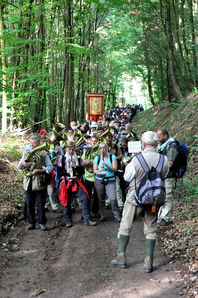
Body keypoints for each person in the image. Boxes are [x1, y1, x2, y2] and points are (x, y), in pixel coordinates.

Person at [111, 131, 169, 272]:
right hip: (154, 200)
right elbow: (164, 175)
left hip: (134, 199)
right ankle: (148, 261)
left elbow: (127, 177)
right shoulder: (164, 159)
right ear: (156, 144)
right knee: (151, 229)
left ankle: (121, 257)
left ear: (143, 144)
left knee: (125, 226)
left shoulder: (137, 159)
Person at [18, 134, 53, 231]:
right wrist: (22, 164)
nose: (31, 145)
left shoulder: (43, 153)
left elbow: (50, 167)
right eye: (30, 143)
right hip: (28, 181)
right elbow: (19, 167)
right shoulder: (26, 152)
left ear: (38, 143)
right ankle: (31, 222)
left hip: (39, 182)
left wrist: (40, 170)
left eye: (33, 143)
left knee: (40, 203)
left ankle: (42, 222)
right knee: (29, 203)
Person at [57, 141, 97, 228]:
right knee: (67, 201)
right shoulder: (62, 158)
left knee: (85, 198)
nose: (71, 151)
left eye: (72, 149)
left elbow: (82, 171)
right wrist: (65, 172)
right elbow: (59, 172)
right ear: (66, 149)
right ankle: (68, 220)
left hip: (76, 180)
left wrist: (77, 168)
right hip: (66, 181)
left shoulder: (78, 157)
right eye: (69, 149)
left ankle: (87, 219)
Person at [156, 128, 179, 226]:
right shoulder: (161, 145)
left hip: (169, 176)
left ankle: (164, 218)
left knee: (168, 197)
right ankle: (162, 217)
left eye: (159, 136)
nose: (158, 139)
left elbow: (170, 163)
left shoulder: (172, 145)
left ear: (165, 135)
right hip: (162, 175)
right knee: (162, 196)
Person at [93, 142, 121, 222]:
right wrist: (99, 170)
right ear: (99, 150)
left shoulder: (112, 157)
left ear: (106, 148)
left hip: (110, 180)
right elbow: (94, 171)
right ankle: (103, 215)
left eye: (104, 148)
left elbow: (115, 169)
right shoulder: (97, 158)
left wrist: (107, 165)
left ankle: (117, 215)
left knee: (113, 198)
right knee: (101, 199)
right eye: (101, 148)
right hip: (99, 180)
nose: (103, 150)